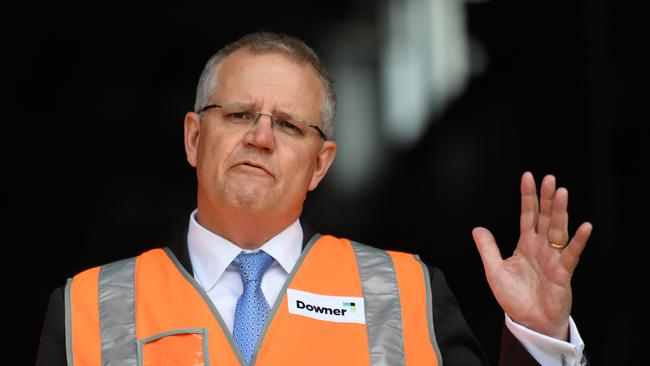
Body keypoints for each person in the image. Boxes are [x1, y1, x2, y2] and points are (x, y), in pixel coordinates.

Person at [35, 31, 592, 366]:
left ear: (321, 164)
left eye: (289, 125)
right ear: (193, 137)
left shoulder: (408, 293)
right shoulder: (84, 307)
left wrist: (540, 340)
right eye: (237, 115)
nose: (260, 136)